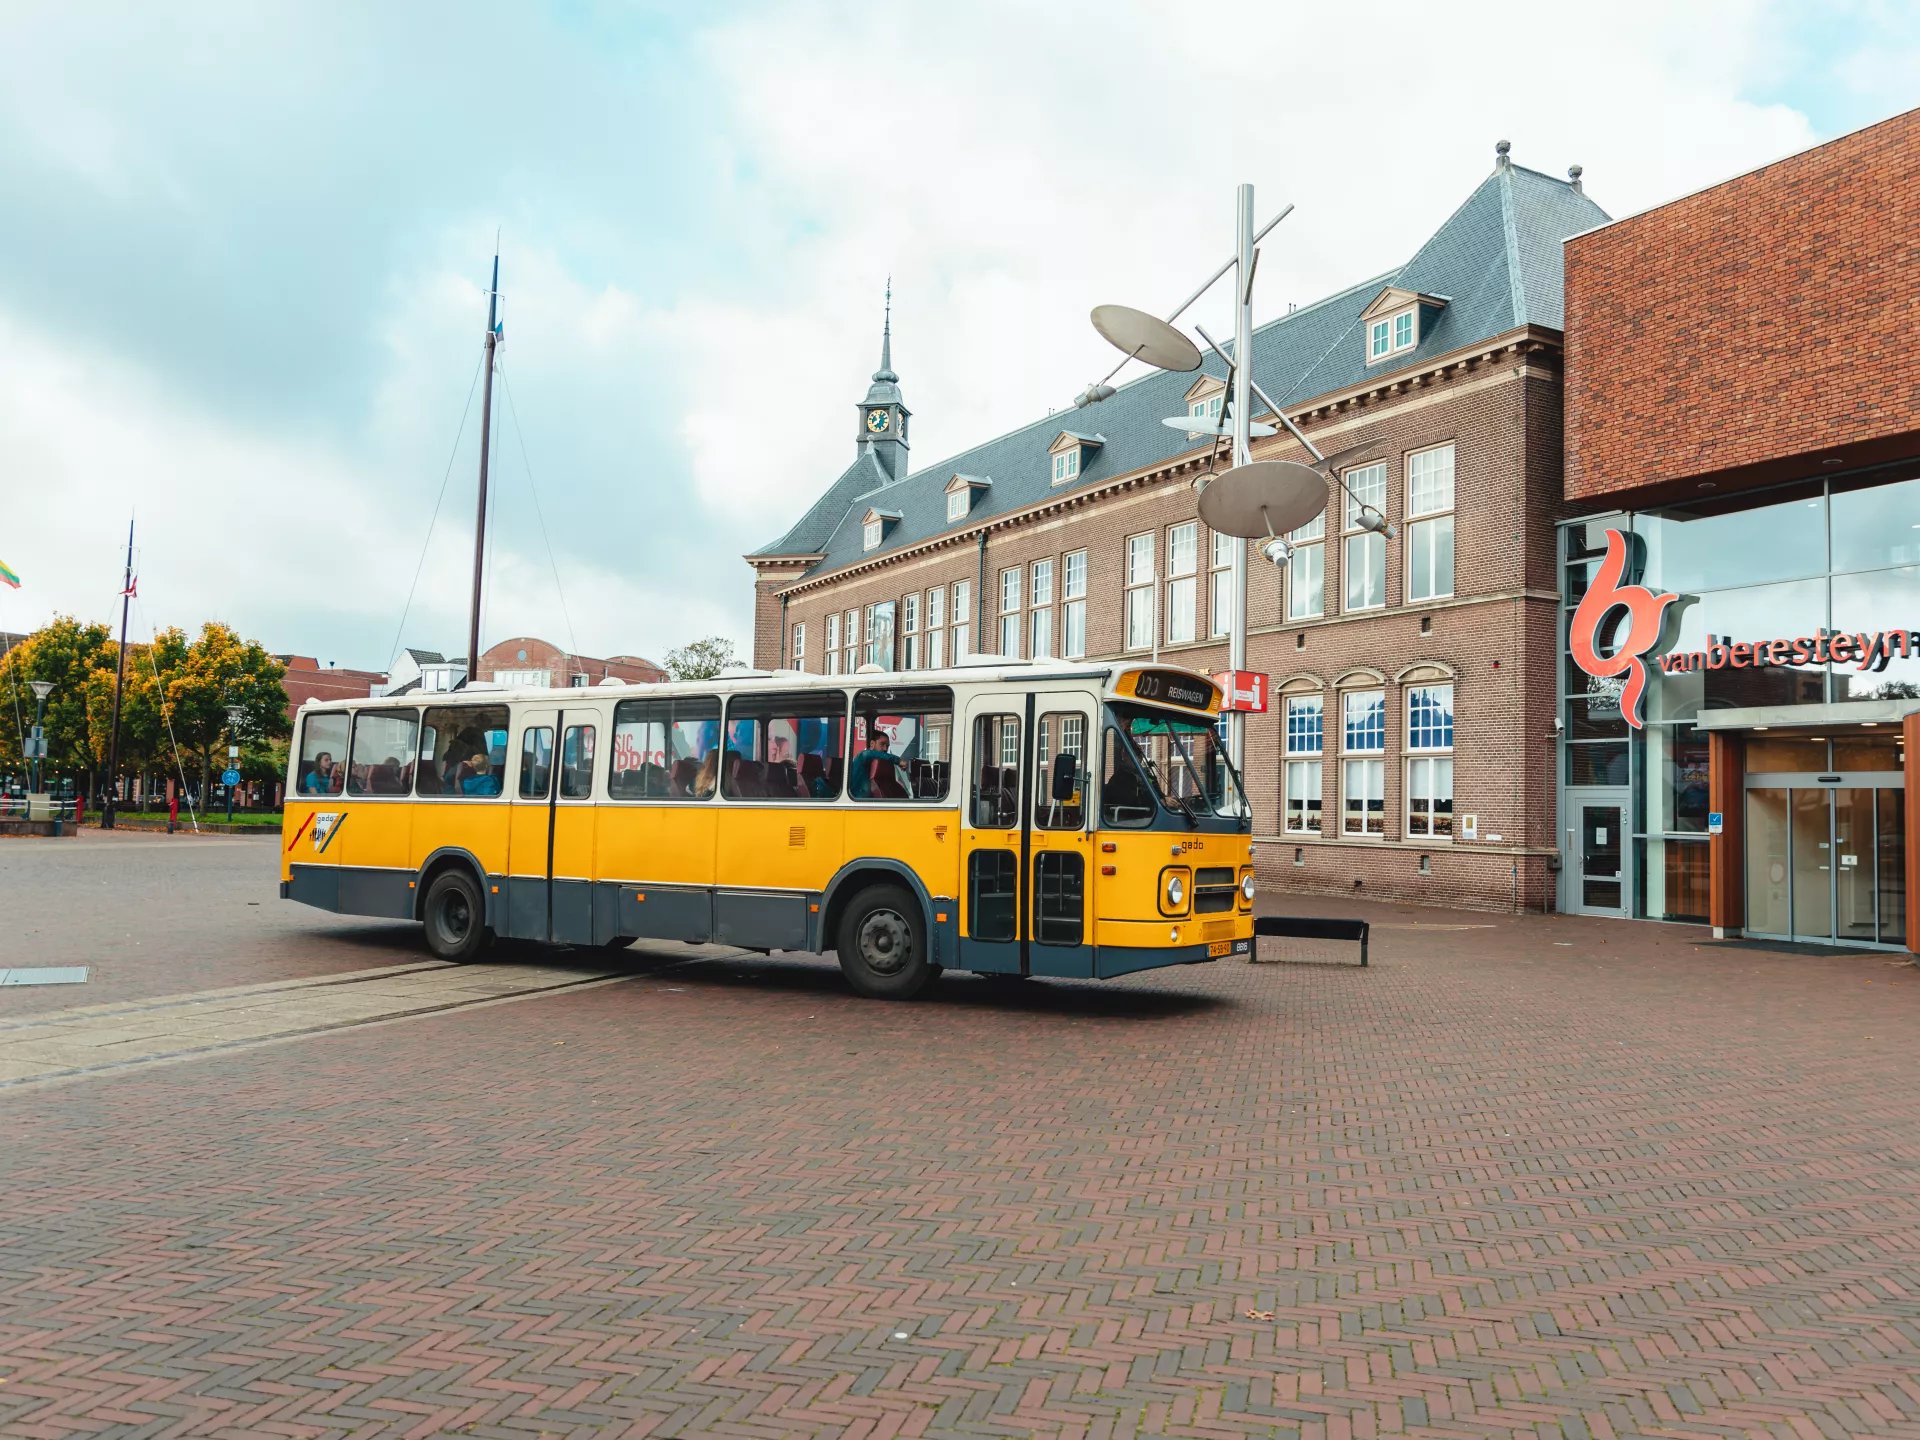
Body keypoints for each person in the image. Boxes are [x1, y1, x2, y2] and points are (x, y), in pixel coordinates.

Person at [847, 731, 898, 800]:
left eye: (887, 746)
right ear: (872, 744)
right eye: (882, 744)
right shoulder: (862, 757)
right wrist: (896, 760)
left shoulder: (877, 763)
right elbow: (867, 754)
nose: (885, 749)